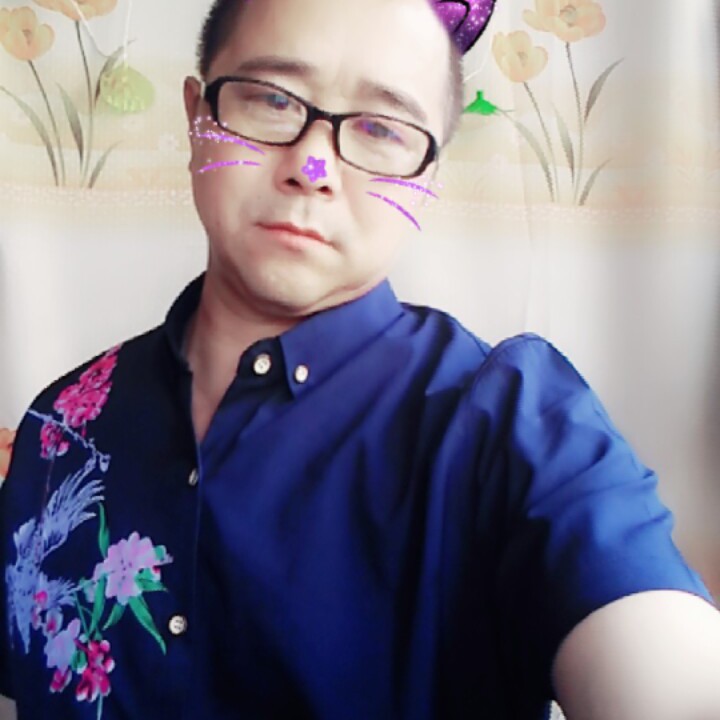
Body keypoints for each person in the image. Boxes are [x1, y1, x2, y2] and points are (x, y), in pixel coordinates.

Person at [1, 0, 719, 718]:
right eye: (273, 99)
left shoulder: (509, 424)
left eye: (381, 129)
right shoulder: (59, 424)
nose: (313, 167)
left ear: (428, 177)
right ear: (197, 117)